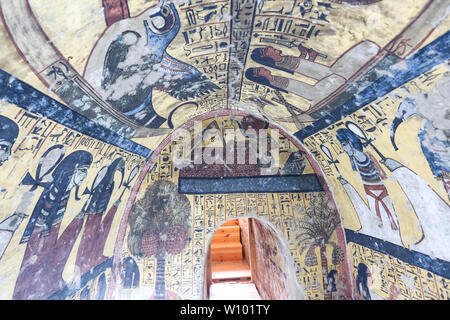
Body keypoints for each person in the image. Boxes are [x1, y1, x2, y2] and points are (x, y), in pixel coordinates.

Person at [13, 150, 92, 300]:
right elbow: (39, 226)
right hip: (39, 245)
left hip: (49, 243)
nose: (85, 177)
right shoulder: (54, 192)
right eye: (83, 171)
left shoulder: (65, 193)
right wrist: (36, 252)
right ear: (72, 170)